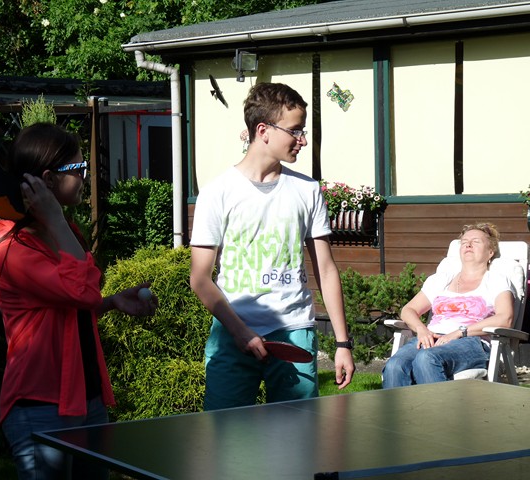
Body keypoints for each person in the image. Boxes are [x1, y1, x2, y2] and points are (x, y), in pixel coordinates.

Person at [0, 123, 158, 480]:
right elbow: (82, 291)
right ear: (48, 180)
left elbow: (69, 306)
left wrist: (110, 302)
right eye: (78, 168)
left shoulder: (61, 234)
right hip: (40, 405)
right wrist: (56, 219)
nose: (85, 177)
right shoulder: (11, 252)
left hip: (86, 399)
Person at [189, 82, 355, 411]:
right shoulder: (217, 193)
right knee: (225, 436)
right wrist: (240, 332)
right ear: (263, 131)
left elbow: (326, 270)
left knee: (297, 436)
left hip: (295, 330)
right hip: (232, 336)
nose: (302, 140)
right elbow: (200, 278)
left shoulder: (307, 190)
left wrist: (342, 343)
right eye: (295, 131)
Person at [382, 223, 514, 388]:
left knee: (427, 358)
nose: (468, 244)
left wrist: (459, 333)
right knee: (395, 365)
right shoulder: (441, 279)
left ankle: (438, 406)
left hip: (471, 341)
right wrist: (421, 329)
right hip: (432, 338)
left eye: (476, 241)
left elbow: (505, 318)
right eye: (464, 241)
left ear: (490, 252)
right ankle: (400, 407)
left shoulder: (496, 280)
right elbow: (408, 310)